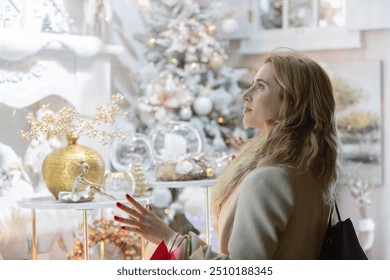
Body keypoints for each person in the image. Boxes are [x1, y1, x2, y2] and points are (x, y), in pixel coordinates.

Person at [114, 49, 341, 259]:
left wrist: (169, 239)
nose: (246, 94)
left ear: (290, 101)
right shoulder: (308, 169)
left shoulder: (269, 179)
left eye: (260, 86)